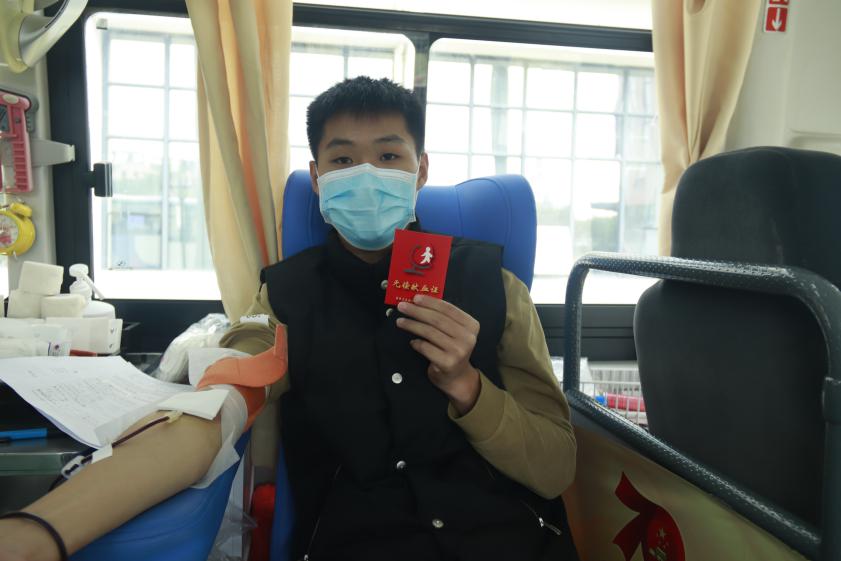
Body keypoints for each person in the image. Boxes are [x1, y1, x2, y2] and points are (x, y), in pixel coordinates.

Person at [0, 76, 577, 561]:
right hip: (360, 543)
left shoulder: (495, 287)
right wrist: (39, 532)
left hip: (507, 540)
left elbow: (555, 467)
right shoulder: (284, 298)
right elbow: (216, 408)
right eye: (343, 159)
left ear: (420, 170)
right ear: (318, 177)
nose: (367, 174)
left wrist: (470, 388)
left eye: (389, 156)